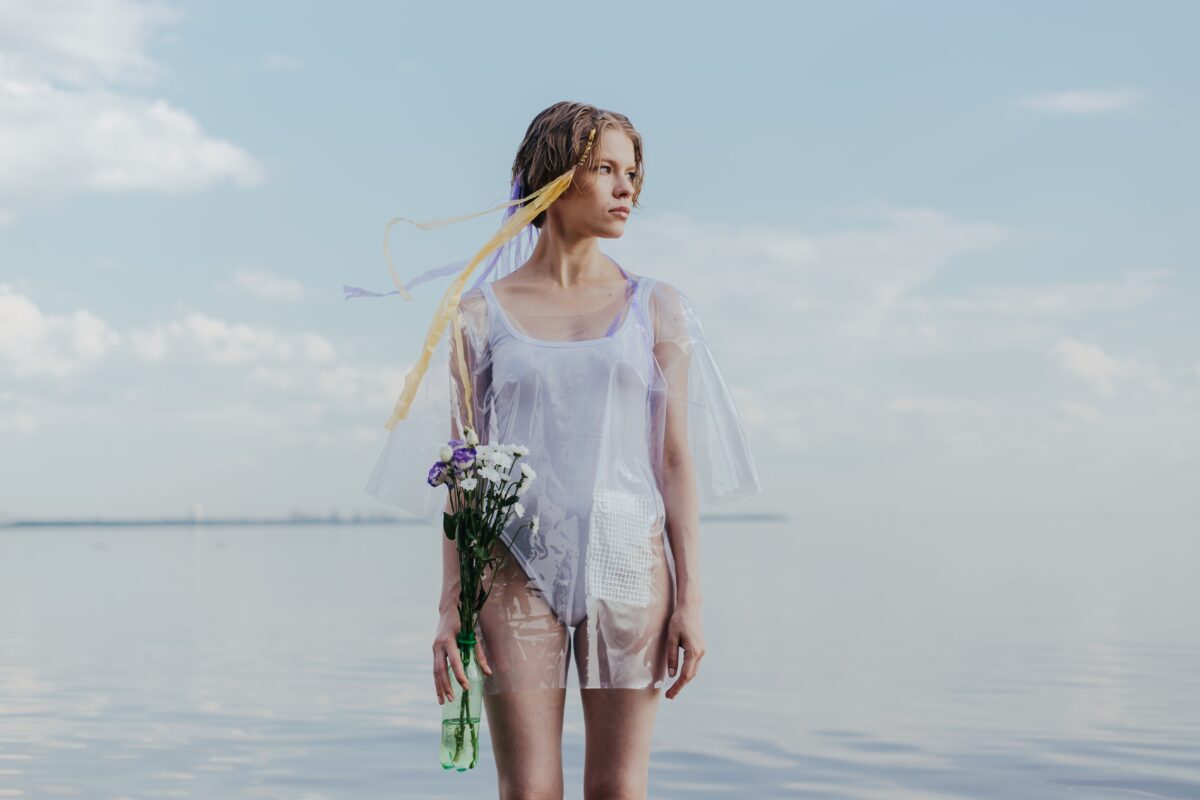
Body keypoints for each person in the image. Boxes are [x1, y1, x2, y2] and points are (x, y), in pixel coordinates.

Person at [352, 101, 761, 799]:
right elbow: (463, 474)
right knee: (528, 790)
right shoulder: (477, 315)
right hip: (512, 569)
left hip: (629, 563)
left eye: (631, 172)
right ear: (552, 179)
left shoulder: (657, 306)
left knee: (617, 789)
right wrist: (451, 606)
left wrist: (692, 597)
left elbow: (674, 459)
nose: (626, 187)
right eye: (604, 169)